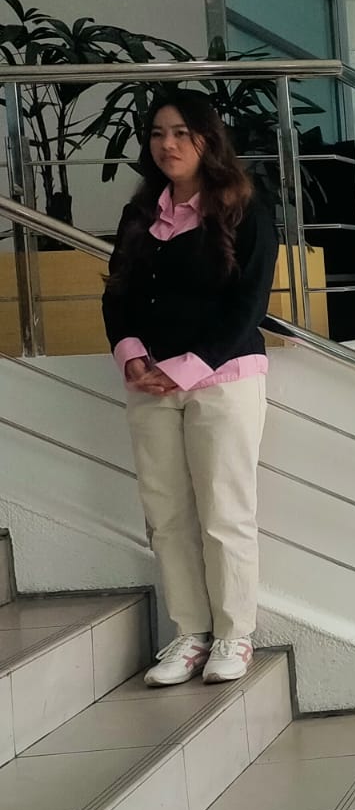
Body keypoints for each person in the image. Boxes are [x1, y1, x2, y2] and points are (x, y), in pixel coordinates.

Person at [102, 90, 280, 686]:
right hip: (148, 384)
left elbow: (249, 306)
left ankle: (235, 634)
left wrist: (185, 367)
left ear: (208, 139)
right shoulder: (139, 213)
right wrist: (130, 354)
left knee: (225, 512)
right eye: (157, 133)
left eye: (181, 132)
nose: (168, 144)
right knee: (167, 514)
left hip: (223, 381)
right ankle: (191, 633)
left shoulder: (245, 208)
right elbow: (117, 294)